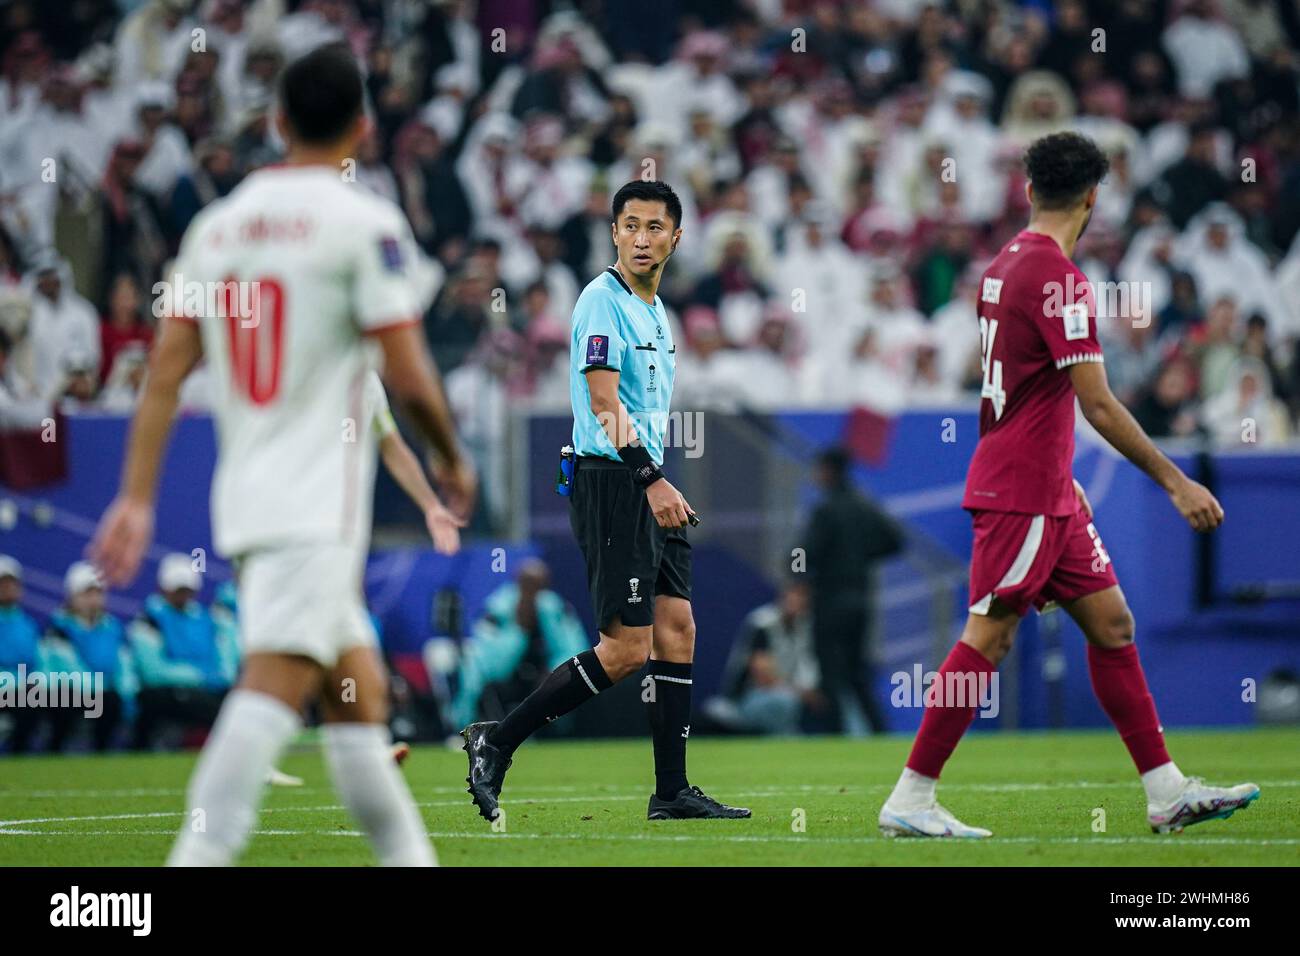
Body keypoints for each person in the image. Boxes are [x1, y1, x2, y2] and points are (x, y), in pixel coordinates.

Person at [91, 43, 475, 867]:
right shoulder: (363, 222)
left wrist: (135, 497)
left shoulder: (218, 226)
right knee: (268, 691)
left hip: (250, 494)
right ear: (365, 128)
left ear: (275, 120)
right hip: (315, 507)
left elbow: (165, 371)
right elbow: (407, 373)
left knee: (359, 704)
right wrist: (450, 457)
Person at [878, 131, 1259, 838]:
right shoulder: (1058, 278)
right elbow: (1100, 403)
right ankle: (912, 795)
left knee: (1112, 623)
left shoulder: (1003, 265)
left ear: (1029, 190)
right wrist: (1176, 482)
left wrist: (1063, 479)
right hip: (1021, 490)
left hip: (1045, 487)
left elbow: (1024, 390)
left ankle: (1166, 790)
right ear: (1093, 198)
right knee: (988, 638)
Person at [461, 180, 751, 822]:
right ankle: (496, 741)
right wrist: (652, 479)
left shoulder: (656, 311)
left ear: (676, 237)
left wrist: (656, 479)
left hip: (649, 480)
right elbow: (602, 403)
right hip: (616, 479)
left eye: (655, 227)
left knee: (679, 630)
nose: (642, 238)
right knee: (625, 651)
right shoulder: (600, 300)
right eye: (630, 226)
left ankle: (671, 790)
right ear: (614, 233)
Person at [803, 446, 904, 734]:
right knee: (858, 672)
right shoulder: (864, 506)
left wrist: (796, 570)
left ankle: (835, 734)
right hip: (861, 599)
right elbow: (895, 541)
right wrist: (860, 557)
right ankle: (878, 732)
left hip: (830, 600)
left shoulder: (825, 510)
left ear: (828, 471)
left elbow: (805, 553)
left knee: (830, 672)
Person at [449, 558, 588, 729]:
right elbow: (487, 661)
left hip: (545, 677)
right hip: (506, 680)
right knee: (473, 674)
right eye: (527, 585)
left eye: (537, 586)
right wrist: (519, 631)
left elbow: (574, 648)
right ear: (517, 582)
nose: (532, 592)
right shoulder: (497, 608)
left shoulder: (556, 609)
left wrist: (556, 672)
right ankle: (465, 726)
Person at [127, 554, 234, 750]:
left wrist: (220, 678)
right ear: (163, 588)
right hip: (167, 690)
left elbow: (221, 659)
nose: (183, 595)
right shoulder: (149, 621)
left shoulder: (206, 619)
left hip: (206, 688)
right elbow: (153, 672)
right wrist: (198, 676)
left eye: (187, 589)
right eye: (178, 589)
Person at [48, 560, 133, 752]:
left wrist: (126, 692)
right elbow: (69, 670)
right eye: (87, 593)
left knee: (115, 701)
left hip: (103, 692)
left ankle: (102, 752)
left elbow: (123, 666)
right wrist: (101, 690)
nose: (93, 599)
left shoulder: (112, 628)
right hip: (69, 692)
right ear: (72, 596)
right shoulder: (60, 628)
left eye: (97, 592)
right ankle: (54, 750)